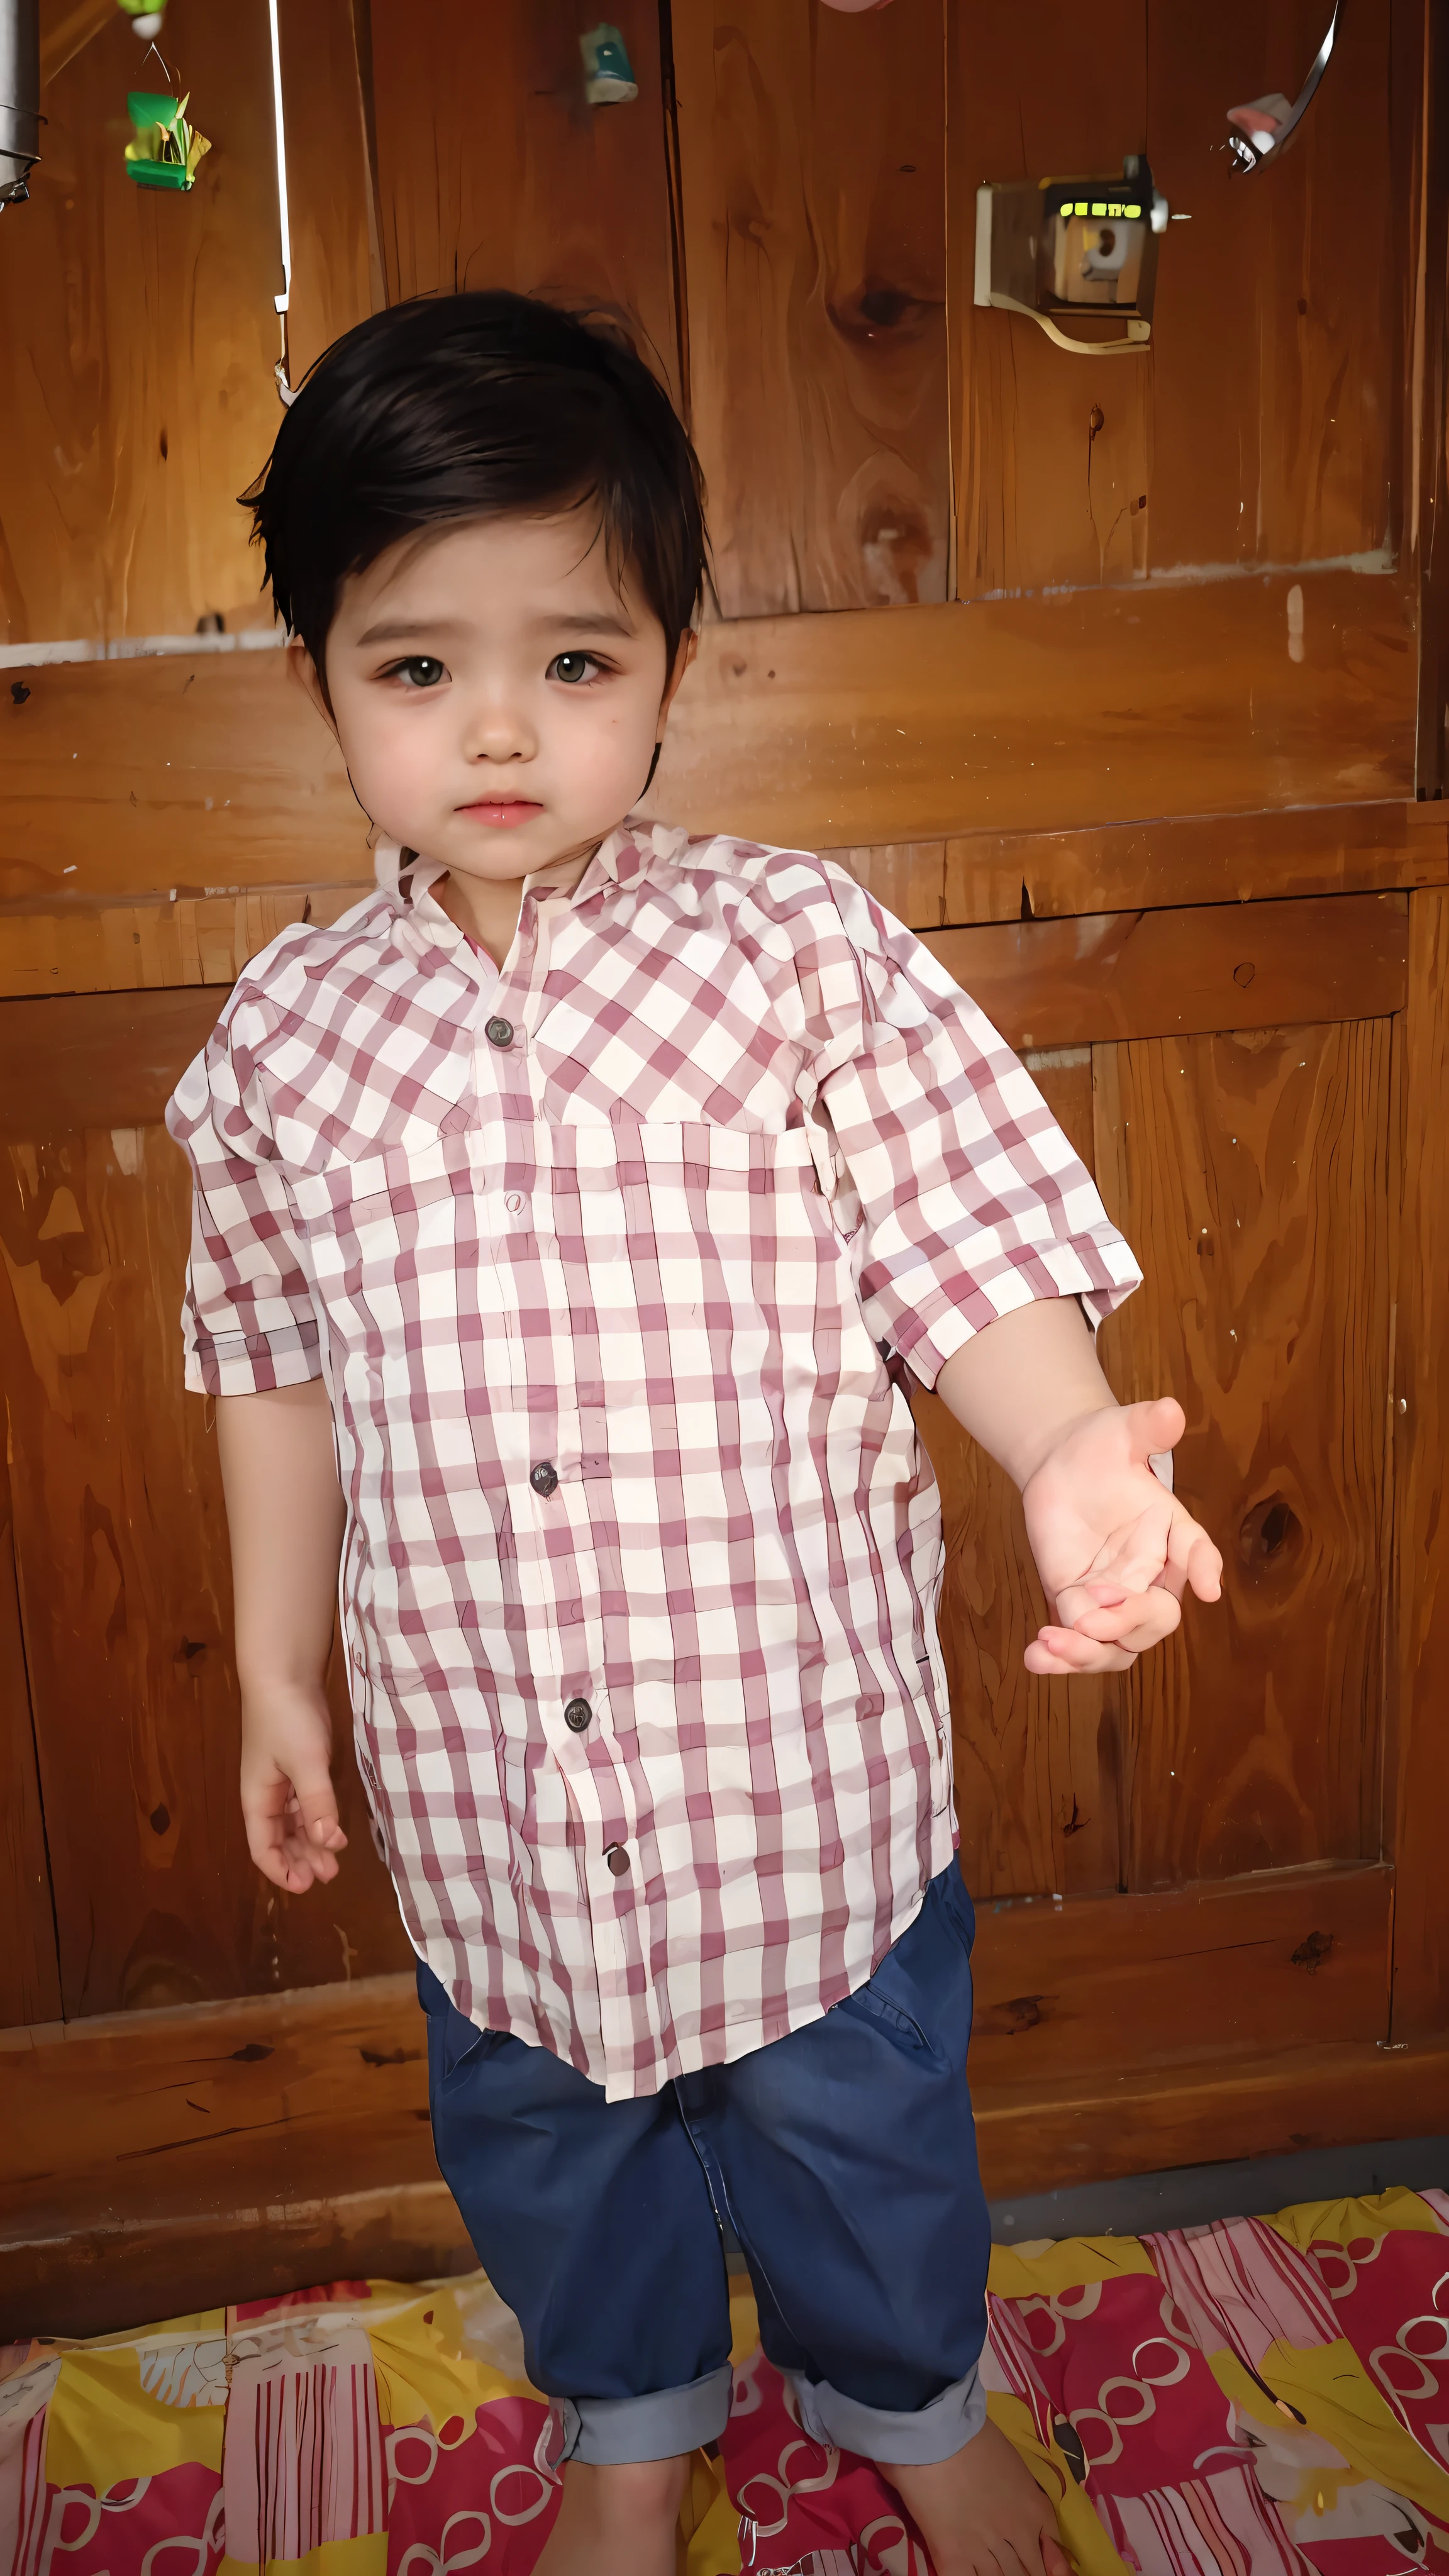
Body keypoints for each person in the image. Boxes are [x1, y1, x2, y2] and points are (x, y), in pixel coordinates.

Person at [166, 291, 1222, 2576]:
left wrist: (1061, 1456)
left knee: (868, 2141)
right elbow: (266, 1358)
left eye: (578, 658)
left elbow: (971, 1257)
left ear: (672, 655)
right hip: (489, 1804)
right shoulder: (281, 1042)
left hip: (801, 1784)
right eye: (416, 666)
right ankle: (633, 2423)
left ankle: (906, 2400)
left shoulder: (797, 954)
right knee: (553, 2146)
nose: (502, 730)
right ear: (324, 682)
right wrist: (275, 1664)